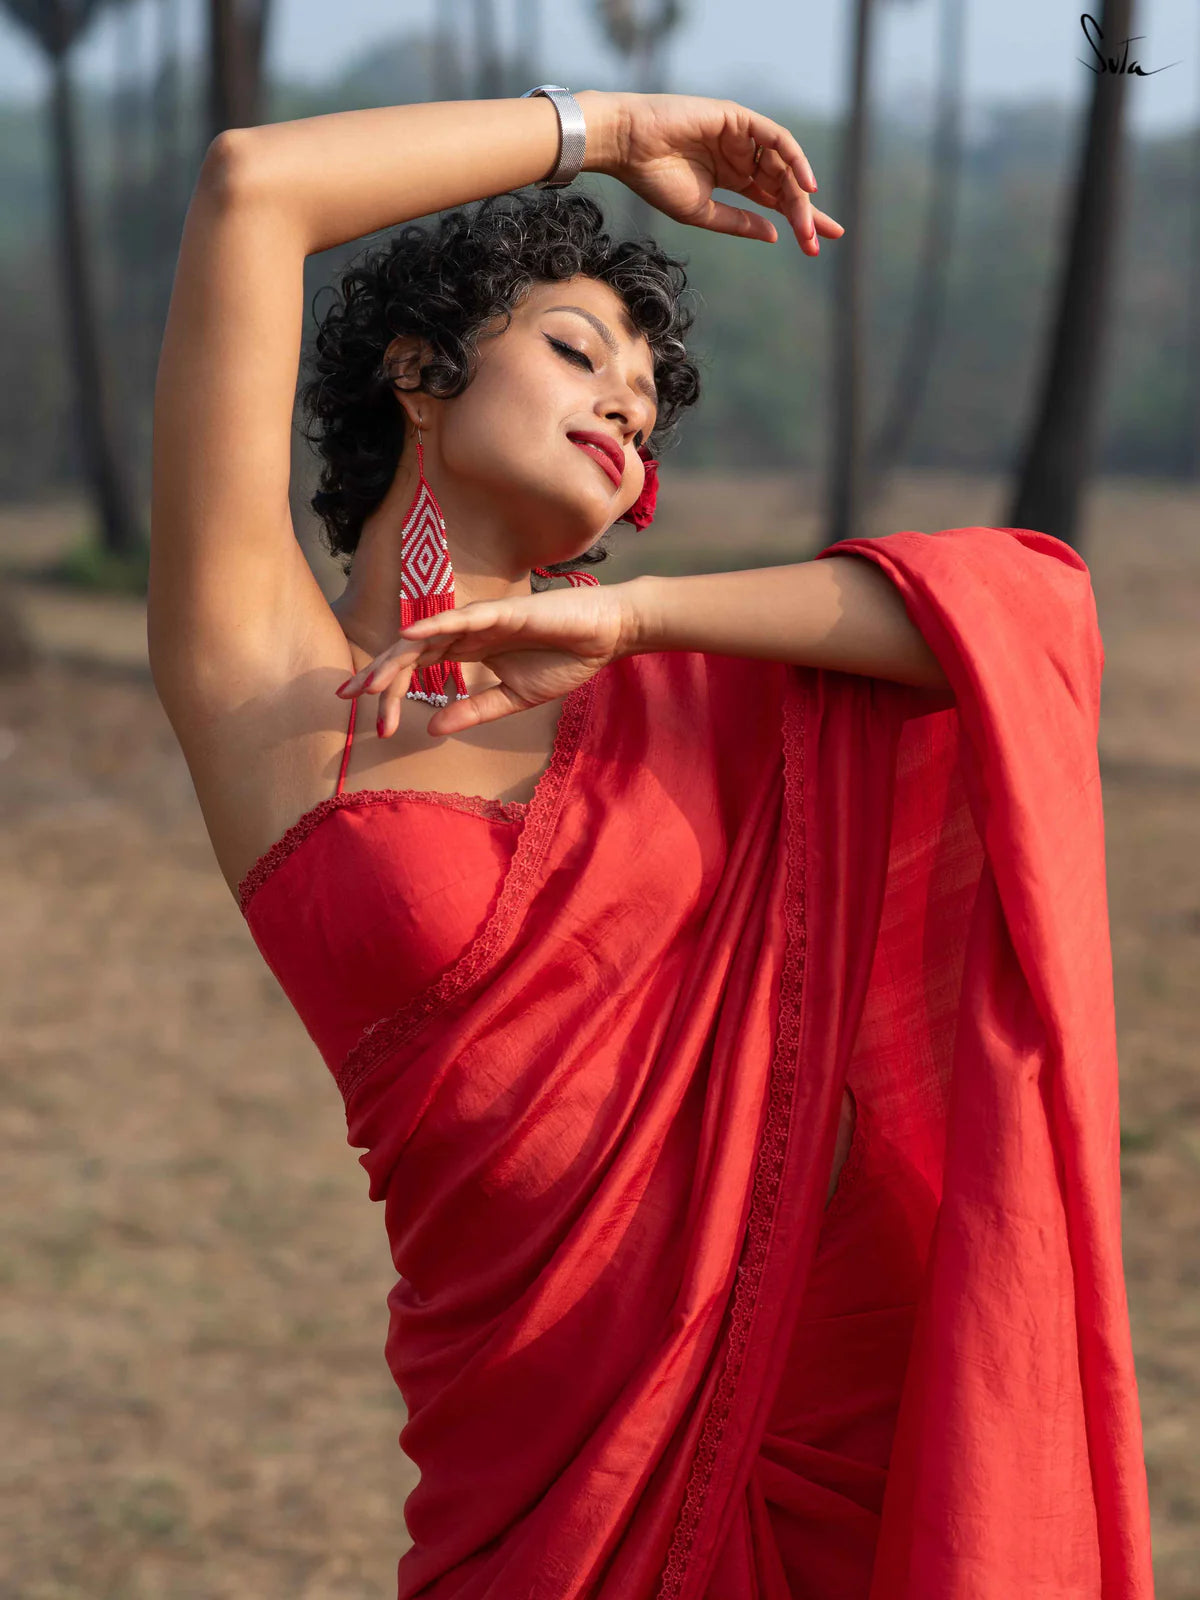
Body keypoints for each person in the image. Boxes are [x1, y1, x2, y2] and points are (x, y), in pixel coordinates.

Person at [148, 89, 1155, 1599]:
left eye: (643, 402)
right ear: (420, 374)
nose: (623, 402)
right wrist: (610, 129)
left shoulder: (688, 695)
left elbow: (1025, 619)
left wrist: (631, 617)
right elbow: (251, 189)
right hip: (527, 1466)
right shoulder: (278, 695)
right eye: (575, 351)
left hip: (806, 1432)